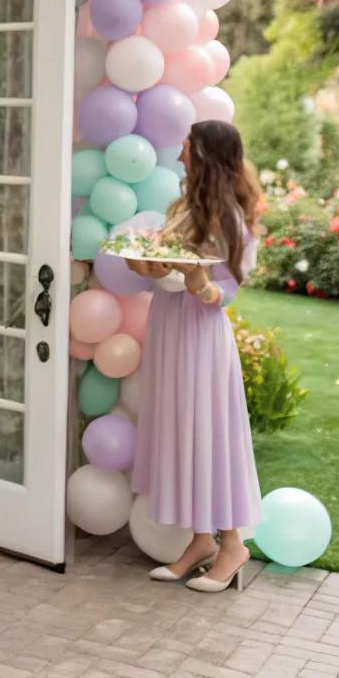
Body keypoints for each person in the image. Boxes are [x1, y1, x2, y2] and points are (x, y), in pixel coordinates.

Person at [128, 120, 262, 593]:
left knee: (208, 433)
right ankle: (200, 540)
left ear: (204, 154)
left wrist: (201, 285)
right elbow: (164, 267)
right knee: (183, 430)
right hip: (170, 325)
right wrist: (144, 263)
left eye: (187, 145)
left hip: (201, 333)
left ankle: (232, 545)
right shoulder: (185, 207)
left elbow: (227, 291)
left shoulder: (230, 216)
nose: (180, 151)